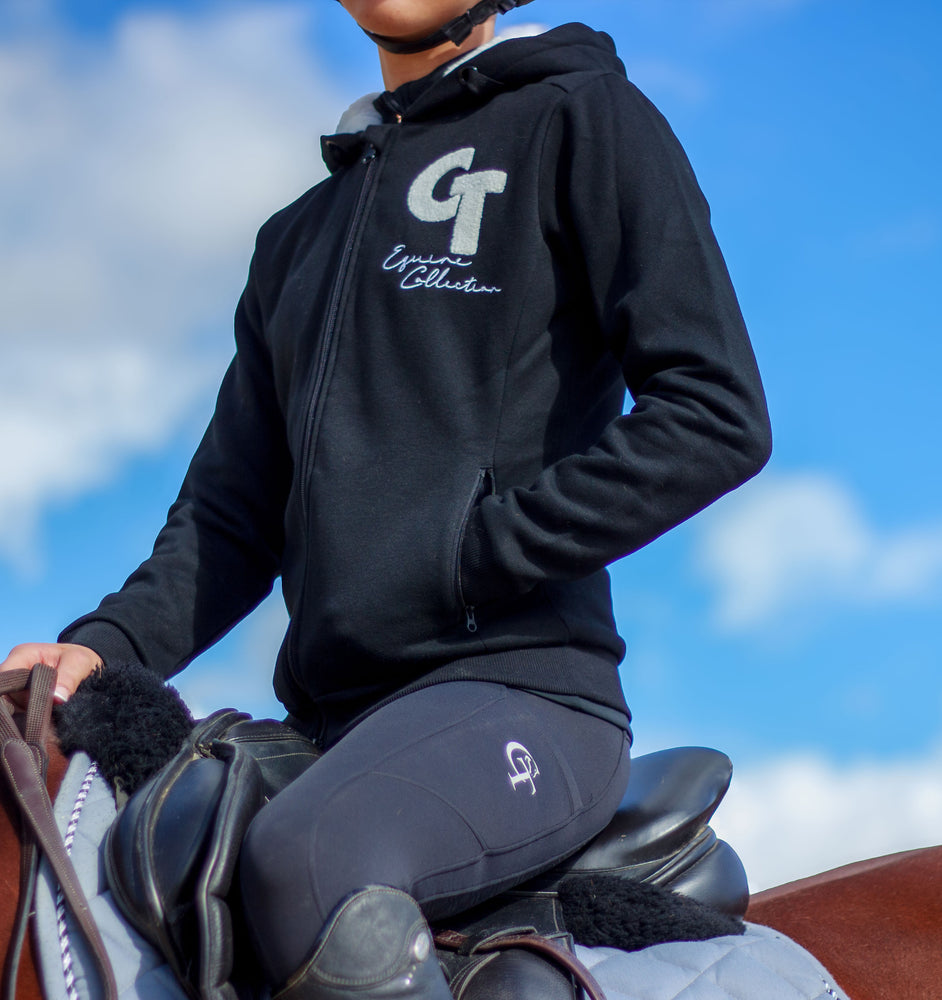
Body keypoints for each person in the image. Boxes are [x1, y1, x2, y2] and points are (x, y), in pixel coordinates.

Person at [1, 1, 772, 997]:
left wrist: (476, 551)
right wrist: (99, 647)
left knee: (308, 859)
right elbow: (230, 516)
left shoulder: (587, 120)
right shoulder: (298, 237)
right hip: (335, 729)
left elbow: (715, 414)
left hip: (525, 699)